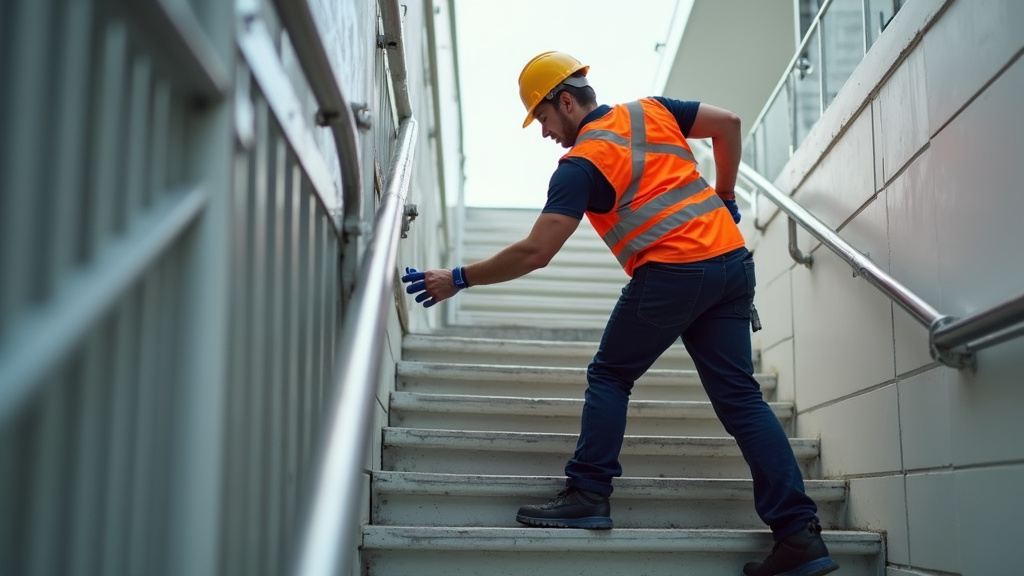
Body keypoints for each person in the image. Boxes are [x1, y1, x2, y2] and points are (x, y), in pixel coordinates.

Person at [401, 51, 838, 576]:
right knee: (743, 400)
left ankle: (588, 491)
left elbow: (536, 252)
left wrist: (460, 277)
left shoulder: (579, 166)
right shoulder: (651, 110)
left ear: (565, 101)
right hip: (730, 264)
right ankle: (799, 536)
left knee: (609, 375)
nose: (544, 133)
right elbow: (729, 125)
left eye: (542, 118)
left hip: (673, 273)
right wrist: (724, 194)